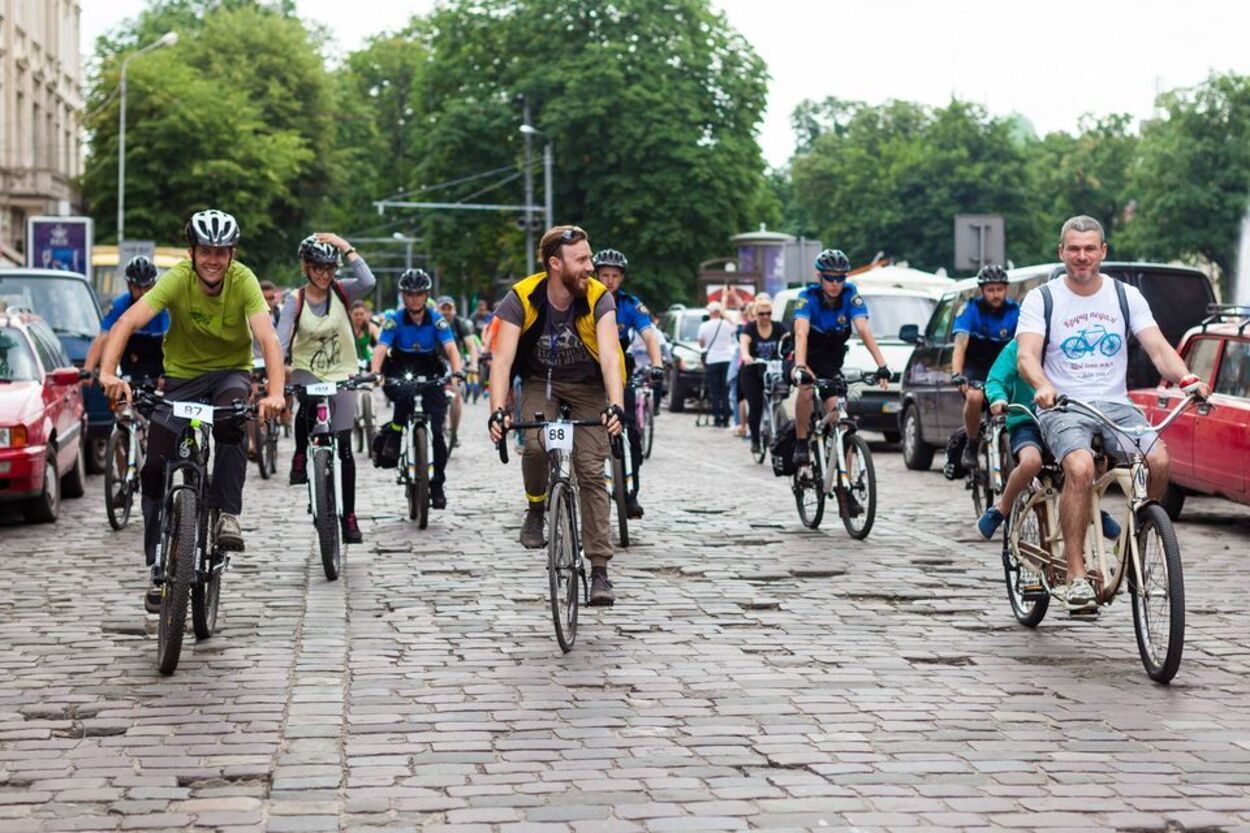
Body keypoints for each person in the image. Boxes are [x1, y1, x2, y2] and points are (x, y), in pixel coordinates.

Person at [1016, 215, 1210, 614]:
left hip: (1116, 406)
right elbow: (1026, 357)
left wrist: (1187, 377)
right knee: (1081, 468)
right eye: (1074, 249)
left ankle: (1136, 536)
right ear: (1061, 252)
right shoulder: (1043, 298)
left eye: (1090, 248)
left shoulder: (1125, 296)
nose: (1082, 256)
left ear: (1103, 251)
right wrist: (1043, 385)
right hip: (1065, 406)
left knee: (1158, 460)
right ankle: (1076, 575)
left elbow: (1158, 349)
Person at [98, 209, 286, 613]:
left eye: (221, 252)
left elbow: (267, 337)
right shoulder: (177, 279)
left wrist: (275, 392)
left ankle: (227, 515)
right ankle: (156, 563)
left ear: (232, 254)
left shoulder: (244, 281)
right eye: (206, 251)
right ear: (193, 252)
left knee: (233, 422)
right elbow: (127, 322)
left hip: (229, 375)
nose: (213, 259)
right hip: (181, 379)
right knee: (153, 468)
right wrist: (108, 372)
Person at [487, 225, 625, 606]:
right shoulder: (523, 296)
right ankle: (535, 509)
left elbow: (612, 355)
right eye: (581, 260)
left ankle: (599, 569)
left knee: (591, 471)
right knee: (533, 445)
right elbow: (501, 361)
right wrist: (498, 411)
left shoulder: (599, 297)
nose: (590, 266)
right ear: (554, 264)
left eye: (589, 257)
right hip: (540, 382)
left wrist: (616, 404)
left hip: (588, 387)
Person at [277, 233, 375, 544]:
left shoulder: (342, 291)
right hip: (308, 369)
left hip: (343, 369)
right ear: (305, 266)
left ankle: (349, 516)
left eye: (330, 268)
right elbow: (281, 339)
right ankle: (301, 452)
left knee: (344, 446)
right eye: (317, 268)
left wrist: (344, 246)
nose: (324, 274)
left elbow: (368, 280)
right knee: (307, 405)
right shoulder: (296, 299)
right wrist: (275, 375)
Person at [979, 338, 1121, 547]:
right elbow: (996, 379)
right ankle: (1003, 506)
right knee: (1031, 462)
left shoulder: (1071, 342)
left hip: (1068, 421)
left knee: (1095, 460)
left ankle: (1089, 507)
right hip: (1028, 422)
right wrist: (998, 398)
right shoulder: (1019, 346)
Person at [370, 269, 464, 509]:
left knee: (437, 431)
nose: (414, 299)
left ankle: (437, 485)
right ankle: (394, 434)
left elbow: (451, 348)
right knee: (405, 395)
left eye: (419, 294)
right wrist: (375, 373)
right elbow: (381, 348)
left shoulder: (436, 319)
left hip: (430, 371)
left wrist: (456, 372)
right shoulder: (394, 319)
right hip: (400, 369)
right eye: (409, 294)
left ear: (426, 295)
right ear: (403, 296)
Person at [790, 249, 891, 466]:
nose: (835, 283)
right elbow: (801, 333)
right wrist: (800, 365)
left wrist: (882, 364)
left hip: (830, 361)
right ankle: (800, 442)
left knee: (839, 417)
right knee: (806, 391)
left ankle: (846, 487)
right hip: (804, 355)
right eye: (830, 277)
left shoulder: (850, 294)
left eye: (841, 277)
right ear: (819, 277)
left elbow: (863, 329)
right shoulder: (806, 297)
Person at [592, 248, 664, 518]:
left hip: (620, 372)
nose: (610, 281)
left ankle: (630, 494)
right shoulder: (583, 299)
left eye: (615, 276)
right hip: (587, 371)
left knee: (631, 432)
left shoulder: (630, 304)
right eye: (604, 275)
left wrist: (657, 364)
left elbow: (649, 333)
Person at [951, 264, 1020, 471]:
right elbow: (960, 346)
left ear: (1006, 289)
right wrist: (957, 374)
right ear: (982, 290)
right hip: (977, 366)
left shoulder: (1015, 311)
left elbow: (1026, 344)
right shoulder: (970, 309)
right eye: (990, 290)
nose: (995, 294)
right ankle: (971, 445)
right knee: (974, 398)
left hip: (1004, 366)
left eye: (999, 289)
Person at [85, 255, 169, 383]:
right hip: (130, 369)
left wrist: (170, 374)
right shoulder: (120, 304)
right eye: (137, 287)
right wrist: (88, 369)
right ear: (129, 286)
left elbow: (169, 341)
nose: (143, 293)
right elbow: (103, 337)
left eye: (147, 287)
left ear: (154, 285)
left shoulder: (162, 308)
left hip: (157, 367)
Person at [738, 295, 788, 455]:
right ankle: (755, 440)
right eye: (762, 314)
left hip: (773, 370)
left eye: (768, 313)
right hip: (752, 371)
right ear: (755, 314)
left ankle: (781, 434)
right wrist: (746, 356)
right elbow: (744, 343)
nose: (765, 317)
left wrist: (791, 351)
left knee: (779, 398)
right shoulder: (750, 328)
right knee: (756, 405)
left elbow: (788, 340)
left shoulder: (778, 327)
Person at [436, 295, 481, 441]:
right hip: (434, 363)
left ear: (454, 310)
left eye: (449, 309)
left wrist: (473, 364)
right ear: (438, 310)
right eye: (443, 308)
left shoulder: (460, 324)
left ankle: (453, 432)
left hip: (454, 363)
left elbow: (471, 346)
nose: (446, 312)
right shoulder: (431, 322)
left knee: (456, 395)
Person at [698, 301, 736, 427]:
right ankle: (726, 418)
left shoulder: (704, 326)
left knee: (715, 391)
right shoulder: (726, 324)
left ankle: (717, 417)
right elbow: (735, 327)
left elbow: (701, 344)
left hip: (712, 359)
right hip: (726, 359)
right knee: (725, 390)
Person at [350, 300, 380, 364]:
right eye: (356, 314)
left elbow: (382, 343)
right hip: (349, 364)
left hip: (366, 362)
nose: (359, 317)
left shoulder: (371, 327)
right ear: (350, 314)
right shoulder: (346, 328)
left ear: (365, 314)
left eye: (361, 314)